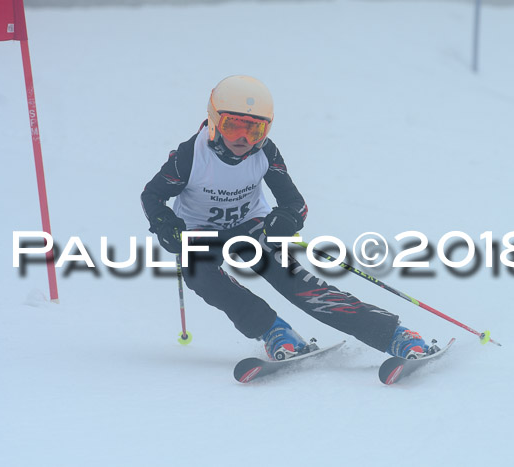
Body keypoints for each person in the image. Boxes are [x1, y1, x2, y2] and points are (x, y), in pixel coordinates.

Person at [141, 75, 430, 361]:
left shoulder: (266, 152)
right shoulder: (190, 156)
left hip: (251, 229)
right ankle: (275, 331)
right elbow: (152, 196)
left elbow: (295, 203)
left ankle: (396, 336)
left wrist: (287, 219)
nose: (243, 139)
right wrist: (165, 224)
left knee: (301, 287)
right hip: (200, 233)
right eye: (233, 127)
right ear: (215, 122)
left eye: (254, 130)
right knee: (199, 275)